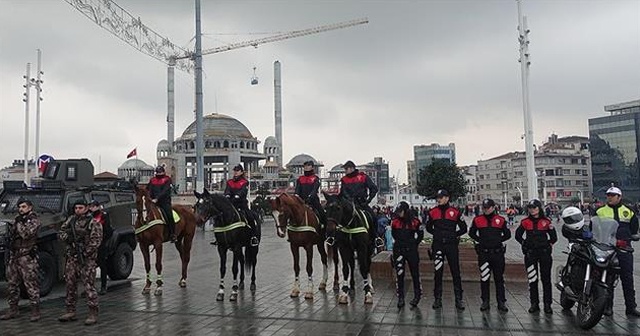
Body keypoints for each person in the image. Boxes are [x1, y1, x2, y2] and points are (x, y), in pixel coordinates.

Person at [595, 186, 640, 317]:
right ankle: (608, 307)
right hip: (607, 248)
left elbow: (634, 229)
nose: (609, 197)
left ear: (619, 197)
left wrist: (630, 237)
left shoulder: (629, 211)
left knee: (628, 278)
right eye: (608, 195)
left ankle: (631, 307)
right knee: (608, 277)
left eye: (613, 195)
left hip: (624, 248)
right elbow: (594, 228)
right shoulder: (600, 211)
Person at [58, 199, 103, 325]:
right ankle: (70, 311)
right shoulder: (71, 220)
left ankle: (93, 312)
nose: (77, 210)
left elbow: (96, 241)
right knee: (70, 284)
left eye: (80, 208)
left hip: (86, 260)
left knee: (89, 286)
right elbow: (61, 232)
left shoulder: (93, 223)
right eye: (76, 208)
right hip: (72, 258)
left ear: (86, 208)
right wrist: (68, 237)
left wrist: (85, 252)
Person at [426, 189, 468, 310]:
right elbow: (428, 227)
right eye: (437, 197)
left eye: (441, 197)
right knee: (438, 272)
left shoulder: (455, 212)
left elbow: (464, 228)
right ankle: (437, 299)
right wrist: (437, 234)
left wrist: (453, 235)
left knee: (456, 272)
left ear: (447, 198)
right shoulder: (432, 212)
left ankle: (458, 299)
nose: (438, 199)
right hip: (438, 246)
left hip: (451, 246)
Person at [0, 199, 41, 322]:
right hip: (15, 255)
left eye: (23, 207)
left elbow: (26, 234)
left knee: (30, 284)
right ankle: (13, 309)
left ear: (30, 207)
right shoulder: (18, 219)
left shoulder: (34, 220)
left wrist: (18, 223)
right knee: (12, 283)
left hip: (26, 256)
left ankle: (35, 311)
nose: (21, 209)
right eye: (19, 207)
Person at [515, 199, 557, 314]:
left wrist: (548, 245)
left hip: (544, 254)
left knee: (546, 279)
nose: (532, 210)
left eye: (534, 207)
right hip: (530, 254)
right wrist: (524, 244)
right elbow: (518, 236)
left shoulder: (546, 222)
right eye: (530, 208)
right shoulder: (525, 222)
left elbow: (554, 238)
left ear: (539, 208)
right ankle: (534, 303)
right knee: (532, 279)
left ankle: (547, 304)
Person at [469, 199, 511, 312]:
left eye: (488, 207)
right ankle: (485, 301)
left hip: (497, 253)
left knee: (499, 279)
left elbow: (508, 234)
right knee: (484, 278)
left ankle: (501, 302)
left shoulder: (500, 220)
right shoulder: (478, 220)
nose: (486, 210)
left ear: (493, 207)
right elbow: (471, 233)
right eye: (484, 208)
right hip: (484, 254)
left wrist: (497, 240)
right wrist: (481, 240)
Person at [338, 160, 383, 249]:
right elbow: (342, 192)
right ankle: (334, 237)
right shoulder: (344, 179)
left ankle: (376, 237)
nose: (345, 171)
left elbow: (374, 188)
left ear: (352, 168)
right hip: (349, 204)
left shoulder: (363, 177)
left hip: (362, 204)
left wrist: (368, 200)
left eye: (346, 169)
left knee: (373, 217)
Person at [391, 201, 423, 308]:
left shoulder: (415, 222)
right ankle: (400, 297)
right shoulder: (395, 222)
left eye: (400, 212)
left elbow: (420, 235)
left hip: (411, 250)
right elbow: (394, 234)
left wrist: (414, 244)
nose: (398, 214)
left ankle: (417, 296)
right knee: (400, 274)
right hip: (399, 250)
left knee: (415, 273)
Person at [225, 164, 259, 247]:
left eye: (237, 171)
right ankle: (221, 238)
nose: (235, 172)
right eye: (235, 171)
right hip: (231, 204)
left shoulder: (244, 182)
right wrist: (227, 195)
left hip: (241, 204)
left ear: (241, 172)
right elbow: (227, 190)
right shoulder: (229, 182)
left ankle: (253, 236)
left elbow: (243, 192)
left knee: (251, 217)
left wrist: (237, 196)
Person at [88, 200, 113, 295]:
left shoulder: (103, 216)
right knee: (89, 267)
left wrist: (102, 241)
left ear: (98, 207)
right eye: (91, 206)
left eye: (94, 206)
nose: (92, 208)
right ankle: (89, 287)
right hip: (90, 245)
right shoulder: (89, 217)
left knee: (102, 265)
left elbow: (108, 231)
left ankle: (103, 286)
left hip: (101, 245)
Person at [147, 166, 176, 243]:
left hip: (164, 202)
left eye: (160, 172)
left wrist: (157, 198)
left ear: (163, 172)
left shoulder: (167, 179)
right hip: (153, 202)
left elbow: (165, 191)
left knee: (169, 215)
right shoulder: (152, 180)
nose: (159, 174)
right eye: (157, 172)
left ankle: (173, 234)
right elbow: (149, 189)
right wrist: (150, 198)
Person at [294, 160, 326, 226]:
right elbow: (297, 190)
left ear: (312, 167)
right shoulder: (300, 179)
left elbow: (314, 190)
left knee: (322, 214)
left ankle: (324, 228)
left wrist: (310, 197)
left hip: (313, 201)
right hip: (301, 201)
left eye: (308, 165)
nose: (306, 167)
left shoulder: (315, 178)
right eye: (305, 166)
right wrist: (296, 196)